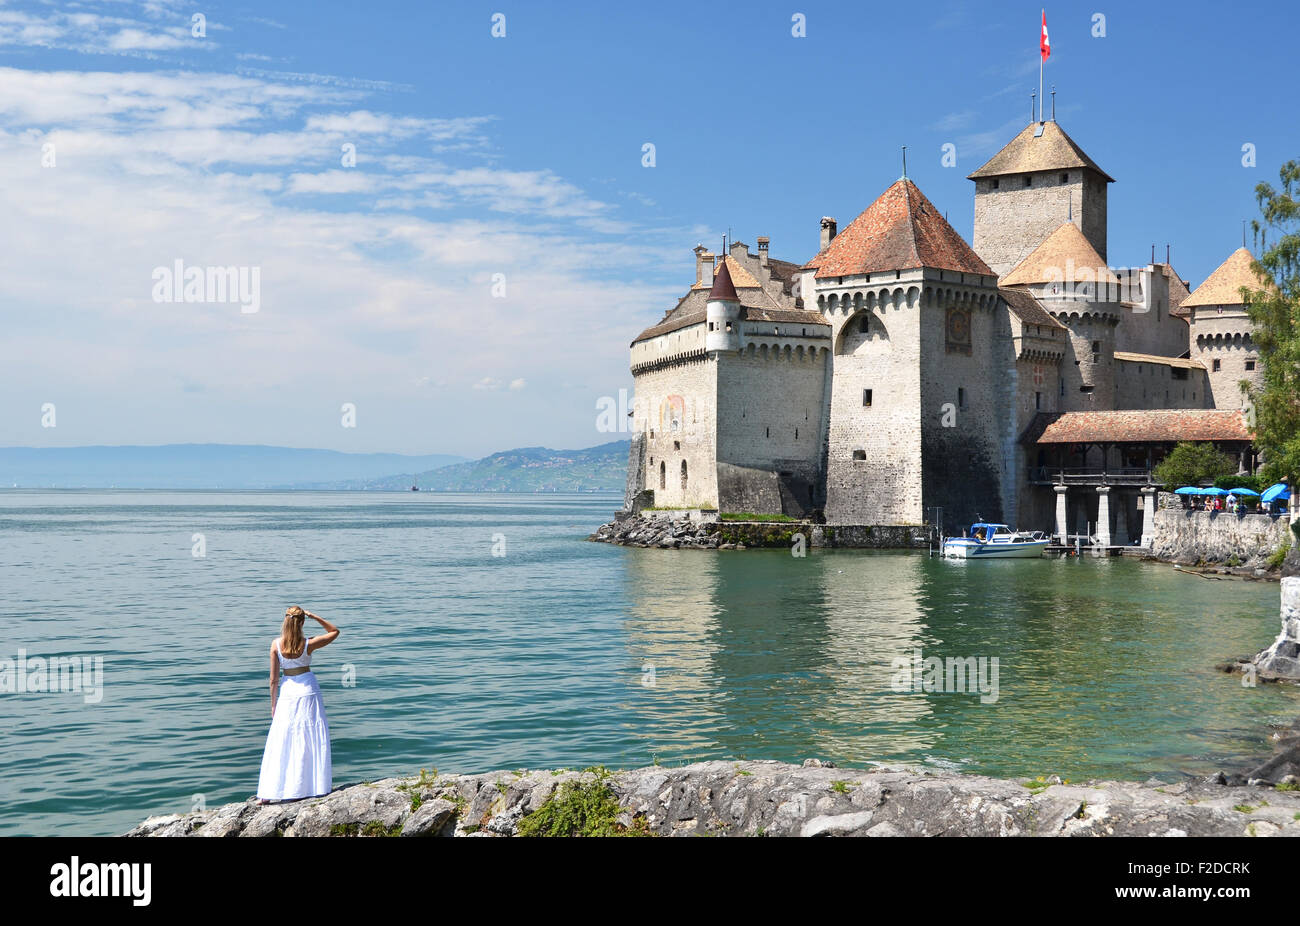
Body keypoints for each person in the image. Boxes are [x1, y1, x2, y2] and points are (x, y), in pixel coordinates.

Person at [257, 606, 340, 804]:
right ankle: (312, 786)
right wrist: (314, 615)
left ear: (285, 622)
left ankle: (269, 792)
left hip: (287, 693)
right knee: (309, 737)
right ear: (302, 622)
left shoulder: (276, 645)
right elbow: (334, 631)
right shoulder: (308, 644)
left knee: (282, 739)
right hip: (308, 690)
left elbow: (273, 679)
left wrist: (273, 704)